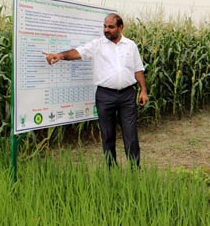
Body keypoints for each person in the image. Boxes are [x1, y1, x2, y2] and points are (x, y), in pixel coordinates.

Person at [43, 13, 148, 168]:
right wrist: (60, 55)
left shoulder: (130, 46)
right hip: (105, 96)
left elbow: (138, 70)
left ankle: (134, 170)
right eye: (105, 26)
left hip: (127, 95)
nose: (107, 30)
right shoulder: (97, 44)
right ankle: (111, 170)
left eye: (111, 27)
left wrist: (143, 90)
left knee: (131, 134)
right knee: (107, 135)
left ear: (120, 27)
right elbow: (78, 52)